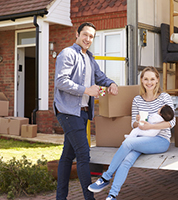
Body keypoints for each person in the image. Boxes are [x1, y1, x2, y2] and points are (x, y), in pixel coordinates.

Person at [88, 66, 176, 200]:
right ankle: (112, 195)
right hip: (140, 139)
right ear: (141, 80)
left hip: (160, 140)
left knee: (128, 142)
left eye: (152, 79)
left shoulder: (165, 98)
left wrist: (151, 126)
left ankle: (106, 177)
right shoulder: (137, 100)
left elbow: (172, 122)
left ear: (157, 80)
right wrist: (137, 120)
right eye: (146, 79)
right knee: (127, 161)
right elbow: (133, 125)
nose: (149, 82)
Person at [53, 22, 118, 200]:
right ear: (77, 34)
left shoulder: (89, 58)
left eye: (91, 37)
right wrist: (86, 90)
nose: (88, 39)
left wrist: (111, 83)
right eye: (85, 35)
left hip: (82, 112)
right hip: (67, 111)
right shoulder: (67, 54)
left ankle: (61, 197)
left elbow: (100, 77)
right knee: (83, 154)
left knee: (68, 155)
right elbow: (61, 81)